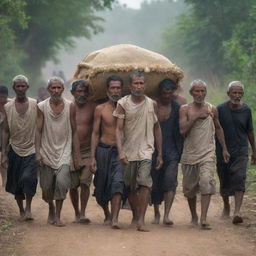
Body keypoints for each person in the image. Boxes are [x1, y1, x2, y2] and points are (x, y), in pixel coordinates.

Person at [114, 71, 163, 232]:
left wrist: (160, 153)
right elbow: (118, 129)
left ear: (145, 85)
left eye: (141, 83)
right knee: (130, 186)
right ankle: (136, 214)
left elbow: (157, 128)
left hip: (146, 151)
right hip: (128, 152)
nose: (139, 86)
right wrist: (120, 151)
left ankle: (141, 219)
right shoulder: (123, 103)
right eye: (136, 83)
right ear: (130, 86)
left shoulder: (152, 104)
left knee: (144, 182)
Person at [179, 79, 230, 230]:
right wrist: (195, 117)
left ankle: (203, 218)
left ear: (205, 93)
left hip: (207, 153)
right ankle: (194, 216)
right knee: (189, 190)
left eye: (202, 91)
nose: (200, 94)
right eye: (197, 91)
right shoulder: (185, 109)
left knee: (207, 182)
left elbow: (218, 128)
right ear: (191, 93)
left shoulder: (211, 109)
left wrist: (224, 148)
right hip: (189, 154)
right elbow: (182, 131)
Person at [36, 76, 80, 227]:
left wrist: (76, 154)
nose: (56, 90)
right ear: (48, 90)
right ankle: (51, 207)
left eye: (58, 87)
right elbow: (38, 131)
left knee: (62, 182)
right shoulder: (41, 106)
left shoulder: (70, 106)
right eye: (53, 88)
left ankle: (58, 216)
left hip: (65, 151)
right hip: (47, 151)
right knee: (47, 187)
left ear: (63, 89)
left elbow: (74, 131)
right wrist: (37, 152)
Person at [216, 81, 256, 224]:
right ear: (228, 94)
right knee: (224, 179)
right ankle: (226, 206)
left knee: (239, 177)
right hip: (222, 150)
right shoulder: (219, 109)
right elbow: (216, 128)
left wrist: (254, 151)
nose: (237, 95)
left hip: (241, 150)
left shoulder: (246, 110)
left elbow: (250, 131)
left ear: (242, 94)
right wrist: (222, 149)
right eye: (234, 92)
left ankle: (237, 212)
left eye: (239, 93)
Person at [90, 75, 125, 229]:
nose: (115, 91)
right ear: (107, 90)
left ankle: (115, 218)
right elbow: (95, 133)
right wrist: (92, 157)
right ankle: (107, 214)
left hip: (120, 152)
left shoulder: (127, 107)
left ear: (122, 90)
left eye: (118, 88)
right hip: (103, 151)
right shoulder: (100, 109)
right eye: (113, 88)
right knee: (101, 185)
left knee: (118, 183)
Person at [2, 75, 37, 220]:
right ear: (14, 88)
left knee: (28, 178)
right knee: (16, 182)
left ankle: (28, 208)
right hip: (14, 149)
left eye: (23, 86)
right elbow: (5, 130)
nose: (21, 89)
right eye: (18, 86)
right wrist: (4, 152)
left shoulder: (35, 104)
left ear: (27, 87)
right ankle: (21, 210)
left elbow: (40, 128)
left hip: (32, 149)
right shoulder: (8, 107)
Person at [151, 79, 183, 226]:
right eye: (165, 93)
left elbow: (182, 130)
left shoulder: (178, 108)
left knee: (170, 182)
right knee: (154, 183)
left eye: (170, 93)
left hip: (172, 152)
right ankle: (156, 212)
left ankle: (167, 215)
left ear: (173, 93)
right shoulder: (152, 106)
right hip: (153, 150)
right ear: (160, 93)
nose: (167, 95)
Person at [69, 80, 96, 223]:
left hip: (88, 151)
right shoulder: (67, 107)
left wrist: (93, 155)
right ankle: (76, 212)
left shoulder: (93, 108)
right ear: (72, 93)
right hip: (71, 152)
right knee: (73, 185)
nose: (82, 94)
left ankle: (83, 213)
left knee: (85, 182)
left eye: (84, 91)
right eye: (79, 91)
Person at [0, 85, 9, 187]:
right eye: (0, 97)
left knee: (7, 158)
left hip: (9, 138)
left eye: (4, 97)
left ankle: (6, 181)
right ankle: (4, 181)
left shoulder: (11, 105)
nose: (2, 99)